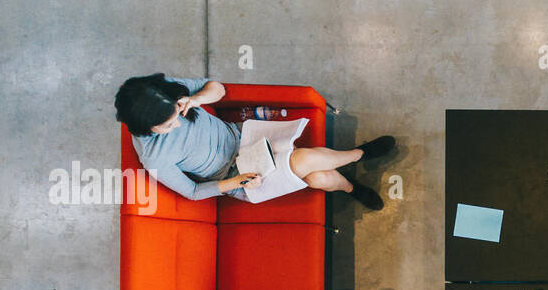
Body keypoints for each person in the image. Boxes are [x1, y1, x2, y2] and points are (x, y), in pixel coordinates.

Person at [114, 73, 392, 209]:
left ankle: (350, 187)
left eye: (177, 114)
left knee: (317, 178)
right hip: (240, 177)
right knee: (307, 164)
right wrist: (237, 182)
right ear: (147, 128)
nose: (178, 123)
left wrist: (196, 99)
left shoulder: (167, 92)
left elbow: (218, 89)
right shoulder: (154, 157)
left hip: (244, 135)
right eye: (168, 125)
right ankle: (360, 155)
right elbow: (192, 192)